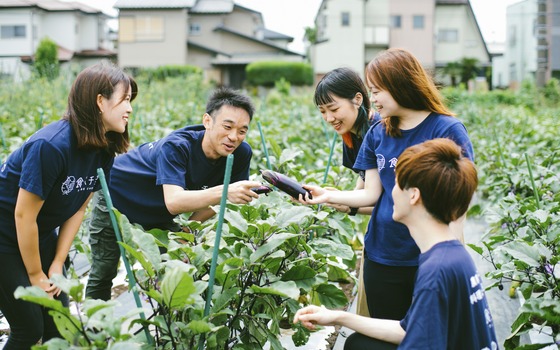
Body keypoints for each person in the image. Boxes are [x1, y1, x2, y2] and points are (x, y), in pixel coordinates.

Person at [298, 48, 474, 321]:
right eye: (372, 90)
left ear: (402, 84)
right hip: (382, 255)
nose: (373, 98)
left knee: (429, 335)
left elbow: (458, 203)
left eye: (378, 90)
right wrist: (324, 197)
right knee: (384, 333)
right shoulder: (378, 133)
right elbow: (370, 194)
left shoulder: (447, 129)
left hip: (426, 256)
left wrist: (448, 255)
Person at [294, 138, 498, 350]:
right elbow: (409, 330)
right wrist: (338, 317)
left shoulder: (435, 270)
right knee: (359, 343)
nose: (390, 193)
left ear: (413, 196)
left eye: (395, 184)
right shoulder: (452, 253)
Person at [0, 62, 136, 349]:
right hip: (4, 235)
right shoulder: (51, 146)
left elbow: (78, 207)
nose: (130, 109)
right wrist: (36, 274)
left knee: (60, 323)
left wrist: (58, 262)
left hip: (38, 232)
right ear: (100, 101)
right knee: (28, 327)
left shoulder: (103, 147)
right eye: (125, 100)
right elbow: (23, 214)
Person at [85, 87, 263, 301]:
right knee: (104, 269)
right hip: (116, 195)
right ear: (207, 121)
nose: (234, 137)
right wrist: (226, 191)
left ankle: (168, 322)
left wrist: (186, 231)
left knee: (175, 265)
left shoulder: (240, 153)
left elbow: (218, 202)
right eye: (227, 127)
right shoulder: (177, 146)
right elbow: (175, 202)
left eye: (242, 131)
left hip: (158, 209)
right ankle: (95, 328)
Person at [313, 67, 379, 317]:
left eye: (333, 109)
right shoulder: (352, 135)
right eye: (323, 112)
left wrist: (337, 199)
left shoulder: (378, 131)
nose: (329, 118)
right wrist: (341, 200)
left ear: (358, 99)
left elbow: (379, 198)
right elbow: (363, 193)